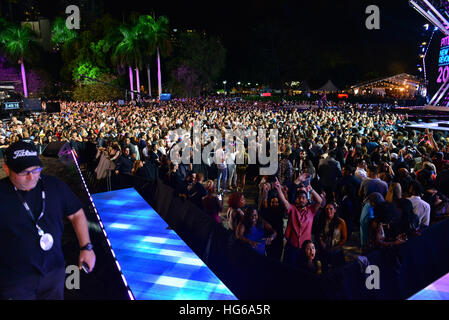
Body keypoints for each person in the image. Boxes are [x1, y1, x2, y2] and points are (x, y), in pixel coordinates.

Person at [0, 141, 96, 299]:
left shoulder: (54, 185)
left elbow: (76, 213)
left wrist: (86, 247)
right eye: (24, 172)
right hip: (15, 279)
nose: (32, 176)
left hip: (54, 271)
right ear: (6, 169)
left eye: (36, 170)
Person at [274, 177, 323, 267]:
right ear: (295, 200)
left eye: (303, 198)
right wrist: (278, 189)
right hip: (292, 246)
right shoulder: (292, 209)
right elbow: (284, 202)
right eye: (299, 198)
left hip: (305, 249)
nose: (301, 200)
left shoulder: (311, 211)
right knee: (289, 270)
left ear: (307, 200)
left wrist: (311, 190)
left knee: (303, 270)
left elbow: (320, 201)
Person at [315, 202, 347, 270]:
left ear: (335, 210)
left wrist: (336, 247)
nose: (328, 211)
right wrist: (321, 242)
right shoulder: (322, 221)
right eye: (327, 209)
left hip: (336, 251)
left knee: (337, 270)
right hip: (324, 250)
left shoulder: (341, 222)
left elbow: (344, 238)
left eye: (331, 209)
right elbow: (318, 233)